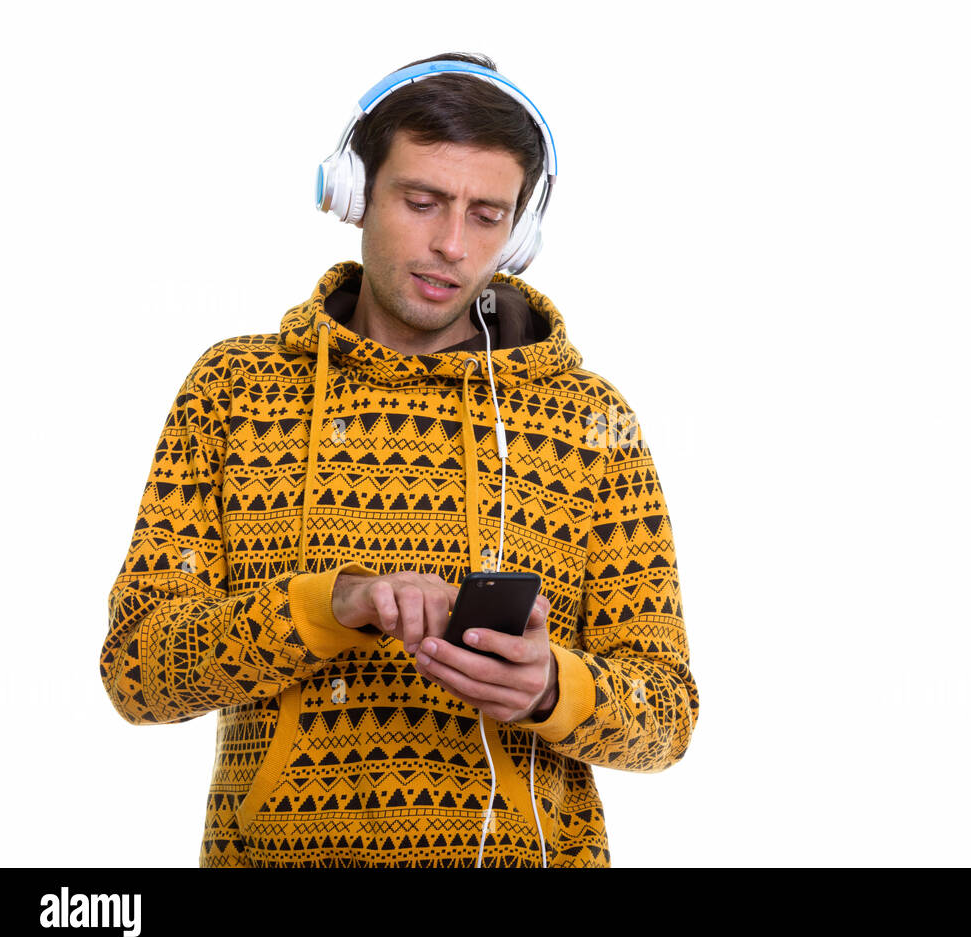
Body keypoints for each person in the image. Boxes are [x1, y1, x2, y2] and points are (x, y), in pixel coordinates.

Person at [100, 53, 697, 868]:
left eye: (488, 215)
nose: (452, 244)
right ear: (352, 193)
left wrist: (554, 689)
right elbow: (138, 668)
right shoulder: (233, 390)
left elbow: (667, 712)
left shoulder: (592, 420)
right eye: (422, 202)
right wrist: (326, 606)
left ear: (521, 231)